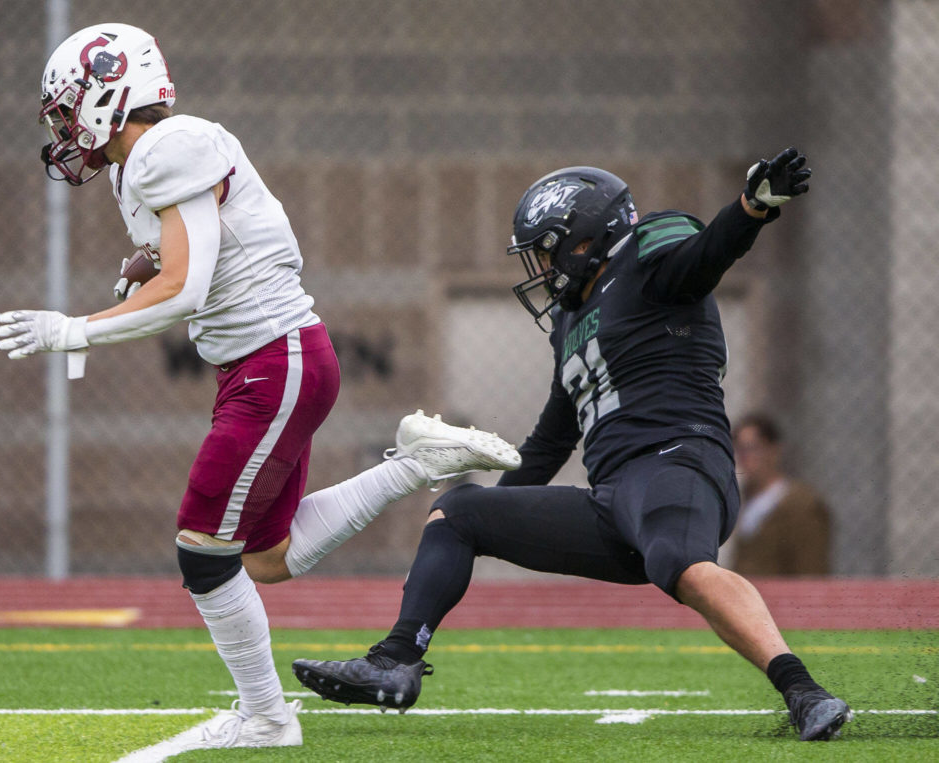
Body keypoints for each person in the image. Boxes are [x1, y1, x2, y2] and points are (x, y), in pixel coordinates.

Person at [0, 23, 520, 754]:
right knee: (264, 556)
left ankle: (265, 716)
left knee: (202, 550)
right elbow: (200, 247)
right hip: (270, 362)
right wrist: (148, 258)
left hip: (275, 362)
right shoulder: (141, 163)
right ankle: (417, 464)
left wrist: (75, 329)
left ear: (109, 93)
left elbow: (187, 286)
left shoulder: (165, 149)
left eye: (66, 107)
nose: (62, 126)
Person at [293, 151, 854, 742]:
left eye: (545, 248)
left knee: (680, 562)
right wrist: (497, 519)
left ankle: (803, 690)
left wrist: (751, 208)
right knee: (459, 513)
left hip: (679, 463)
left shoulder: (648, 254)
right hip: (613, 501)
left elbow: (706, 255)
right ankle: (396, 660)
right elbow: (553, 437)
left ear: (584, 239)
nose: (540, 265)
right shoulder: (572, 319)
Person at [726, 412, 832, 576]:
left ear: (773, 450)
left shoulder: (800, 504)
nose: (744, 458)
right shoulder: (742, 500)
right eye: (739, 450)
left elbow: (811, 568)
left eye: (752, 449)